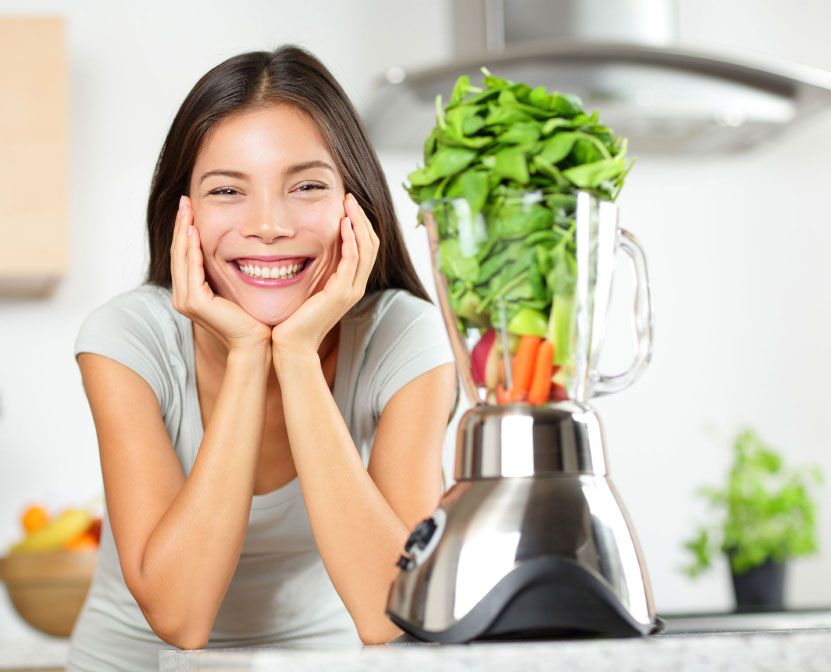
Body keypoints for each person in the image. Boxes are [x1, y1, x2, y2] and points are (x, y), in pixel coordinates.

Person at [67, 44, 460, 672]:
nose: (269, 224)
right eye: (228, 190)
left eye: (306, 185)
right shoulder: (126, 339)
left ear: (353, 205)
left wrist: (297, 357)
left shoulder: (406, 339)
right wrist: (250, 354)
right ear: (183, 216)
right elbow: (181, 618)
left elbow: (395, 613)